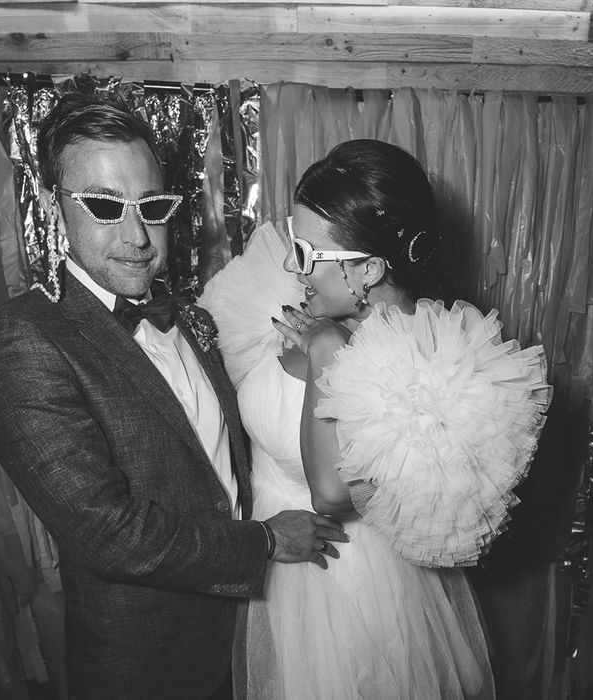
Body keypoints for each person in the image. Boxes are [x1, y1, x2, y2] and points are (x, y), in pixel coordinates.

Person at [0, 93, 348, 700]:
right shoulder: (20, 339)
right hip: (151, 666)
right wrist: (268, 541)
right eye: (103, 205)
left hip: (264, 639)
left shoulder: (193, 319)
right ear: (50, 205)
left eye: (153, 205)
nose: (138, 235)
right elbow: (109, 533)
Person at [199, 139, 552, 699]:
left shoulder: (425, 363)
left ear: (368, 269)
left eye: (310, 255)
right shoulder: (303, 302)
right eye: (294, 243)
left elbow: (332, 493)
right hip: (269, 557)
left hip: (347, 593)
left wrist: (323, 352)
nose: (294, 266)